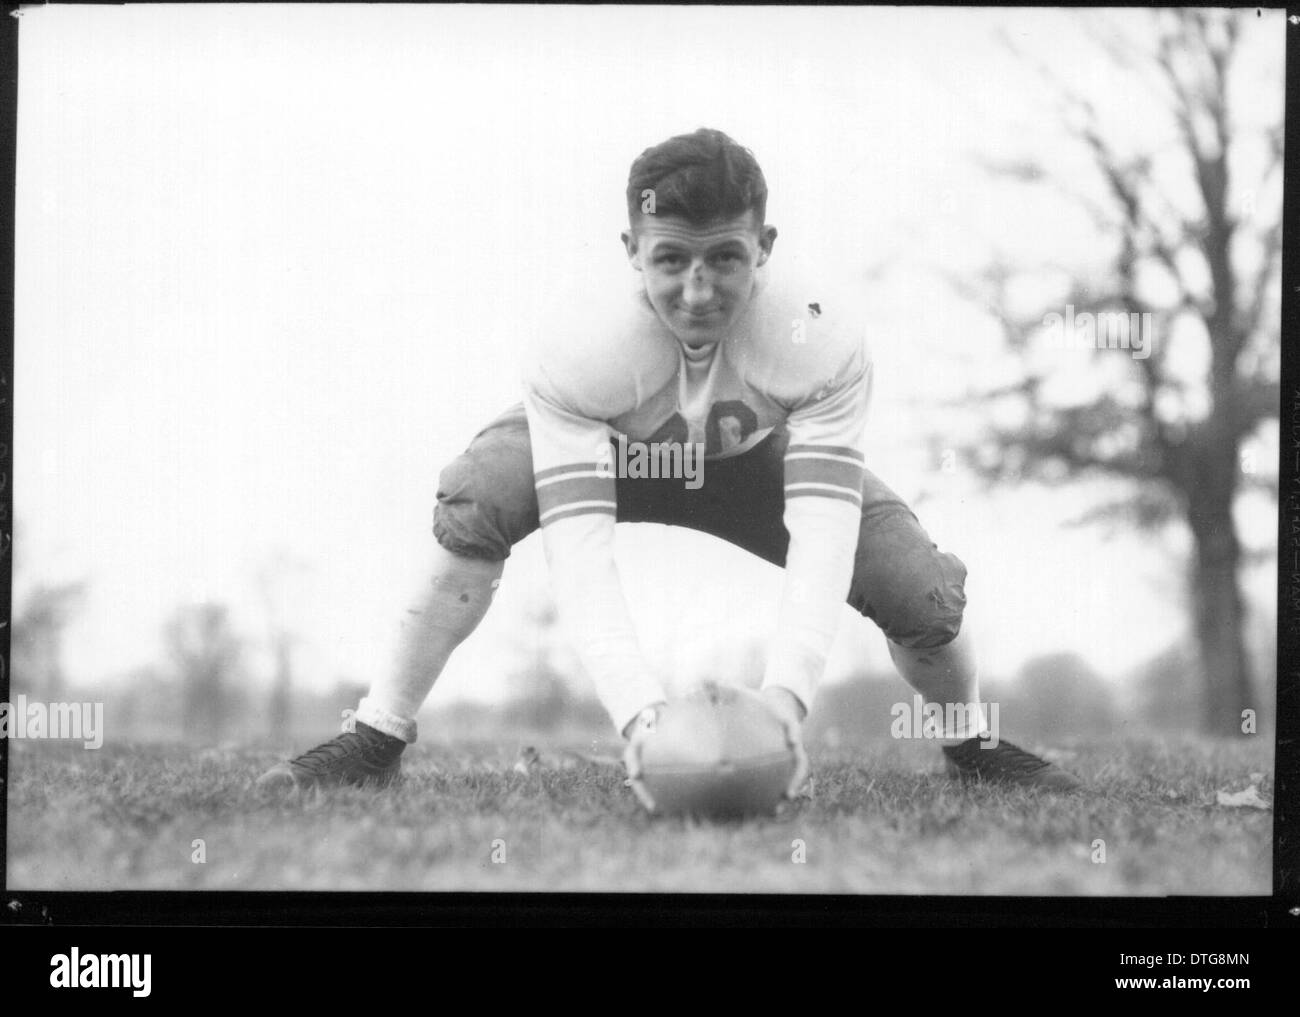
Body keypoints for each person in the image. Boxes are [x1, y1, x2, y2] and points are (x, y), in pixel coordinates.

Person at [257, 128, 1081, 795]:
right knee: (479, 492)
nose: (697, 290)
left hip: (754, 460)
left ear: (765, 245)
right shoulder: (579, 347)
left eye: (724, 256)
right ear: (631, 249)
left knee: (924, 590)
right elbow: (582, 563)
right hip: (613, 447)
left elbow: (822, 535)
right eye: (670, 259)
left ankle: (969, 741)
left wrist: (785, 700)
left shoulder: (819, 334)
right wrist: (641, 720)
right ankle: (376, 732)